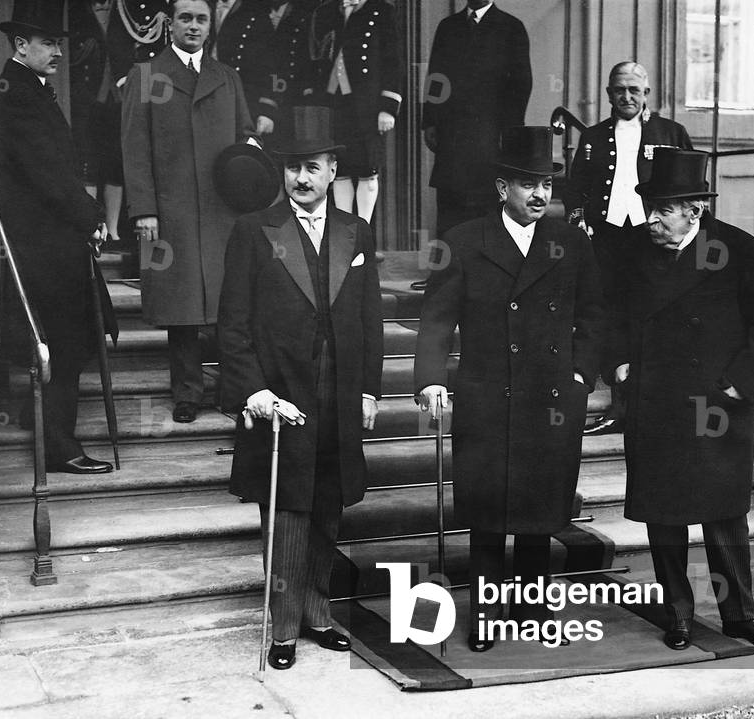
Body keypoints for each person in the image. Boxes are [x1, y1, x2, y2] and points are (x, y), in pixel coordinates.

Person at [414, 126, 603, 652]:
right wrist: (430, 378)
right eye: (528, 183)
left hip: (551, 398)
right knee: (489, 514)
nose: (541, 194)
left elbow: (594, 315)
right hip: (486, 392)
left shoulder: (571, 241)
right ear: (503, 188)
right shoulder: (464, 241)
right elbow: (436, 320)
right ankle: (488, 613)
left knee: (540, 510)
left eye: (546, 182)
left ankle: (534, 608)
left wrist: (581, 374)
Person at [603, 147, 754, 654]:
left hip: (716, 408)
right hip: (656, 403)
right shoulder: (632, 251)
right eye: (650, 207)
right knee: (664, 516)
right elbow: (606, 313)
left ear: (694, 209)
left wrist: (738, 384)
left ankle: (740, 617)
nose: (651, 219)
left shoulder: (737, 249)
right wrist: (619, 360)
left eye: (663, 209)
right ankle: (678, 615)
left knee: (724, 516)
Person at [218, 107, 383, 670]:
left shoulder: (354, 231)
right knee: (287, 510)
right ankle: (284, 625)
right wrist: (253, 393)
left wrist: (367, 391)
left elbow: (369, 319)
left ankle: (318, 612)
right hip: (281, 398)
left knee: (328, 505)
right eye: (292, 169)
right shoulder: (253, 230)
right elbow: (232, 325)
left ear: (334, 170)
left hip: (338, 394)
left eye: (312, 167)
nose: (301, 179)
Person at [0, 0, 116, 475]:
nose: (59, 51)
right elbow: (47, 174)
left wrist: (85, 216)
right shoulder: (16, 94)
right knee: (63, 342)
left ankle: (44, 424)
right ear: (21, 45)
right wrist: (91, 215)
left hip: (51, 237)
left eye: (60, 43)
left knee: (68, 340)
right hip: (43, 242)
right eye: (48, 43)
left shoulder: (28, 88)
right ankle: (59, 445)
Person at [122, 0, 257, 424]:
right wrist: (144, 209)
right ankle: (187, 392)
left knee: (230, 302)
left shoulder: (227, 77)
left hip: (223, 210)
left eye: (201, 19)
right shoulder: (146, 76)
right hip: (170, 209)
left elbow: (245, 134)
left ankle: (234, 390)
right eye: (186, 18)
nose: (194, 27)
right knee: (180, 304)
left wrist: (252, 159)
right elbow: (134, 147)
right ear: (170, 24)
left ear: (211, 25)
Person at [564, 61, 692, 436]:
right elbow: (576, 188)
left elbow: (691, 187)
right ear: (608, 94)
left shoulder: (671, 132)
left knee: (647, 313)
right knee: (605, 311)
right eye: (619, 90)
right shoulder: (592, 137)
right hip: (605, 237)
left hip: (650, 237)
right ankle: (614, 402)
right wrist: (579, 222)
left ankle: (645, 403)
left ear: (647, 94)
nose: (627, 97)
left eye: (634, 90)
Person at [422, 0, 531, 237]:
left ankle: (487, 269)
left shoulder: (511, 27)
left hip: (491, 136)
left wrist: (510, 132)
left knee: (488, 202)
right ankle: (451, 270)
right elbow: (435, 78)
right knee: (451, 203)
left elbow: (521, 85)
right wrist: (430, 120)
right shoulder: (448, 27)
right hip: (452, 136)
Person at [309, 0, 403, 224]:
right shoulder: (326, 11)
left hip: (367, 104)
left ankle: (363, 236)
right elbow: (317, 55)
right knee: (340, 169)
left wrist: (388, 107)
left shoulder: (382, 10)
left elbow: (393, 61)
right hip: (335, 102)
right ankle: (346, 235)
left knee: (366, 168)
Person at [69, 0, 136, 242]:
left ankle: (114, 230)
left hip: (119, 98)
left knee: (116, 164)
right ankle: (93, 227)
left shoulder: (126, 8)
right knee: (88, 162)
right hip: (86, 98)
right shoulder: (75, 9)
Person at [214, 0, 314, 148]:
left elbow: (272, 65)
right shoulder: (211, 7)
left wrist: (268, 109)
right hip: (220, 97)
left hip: (254, 102)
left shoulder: (257, 12)